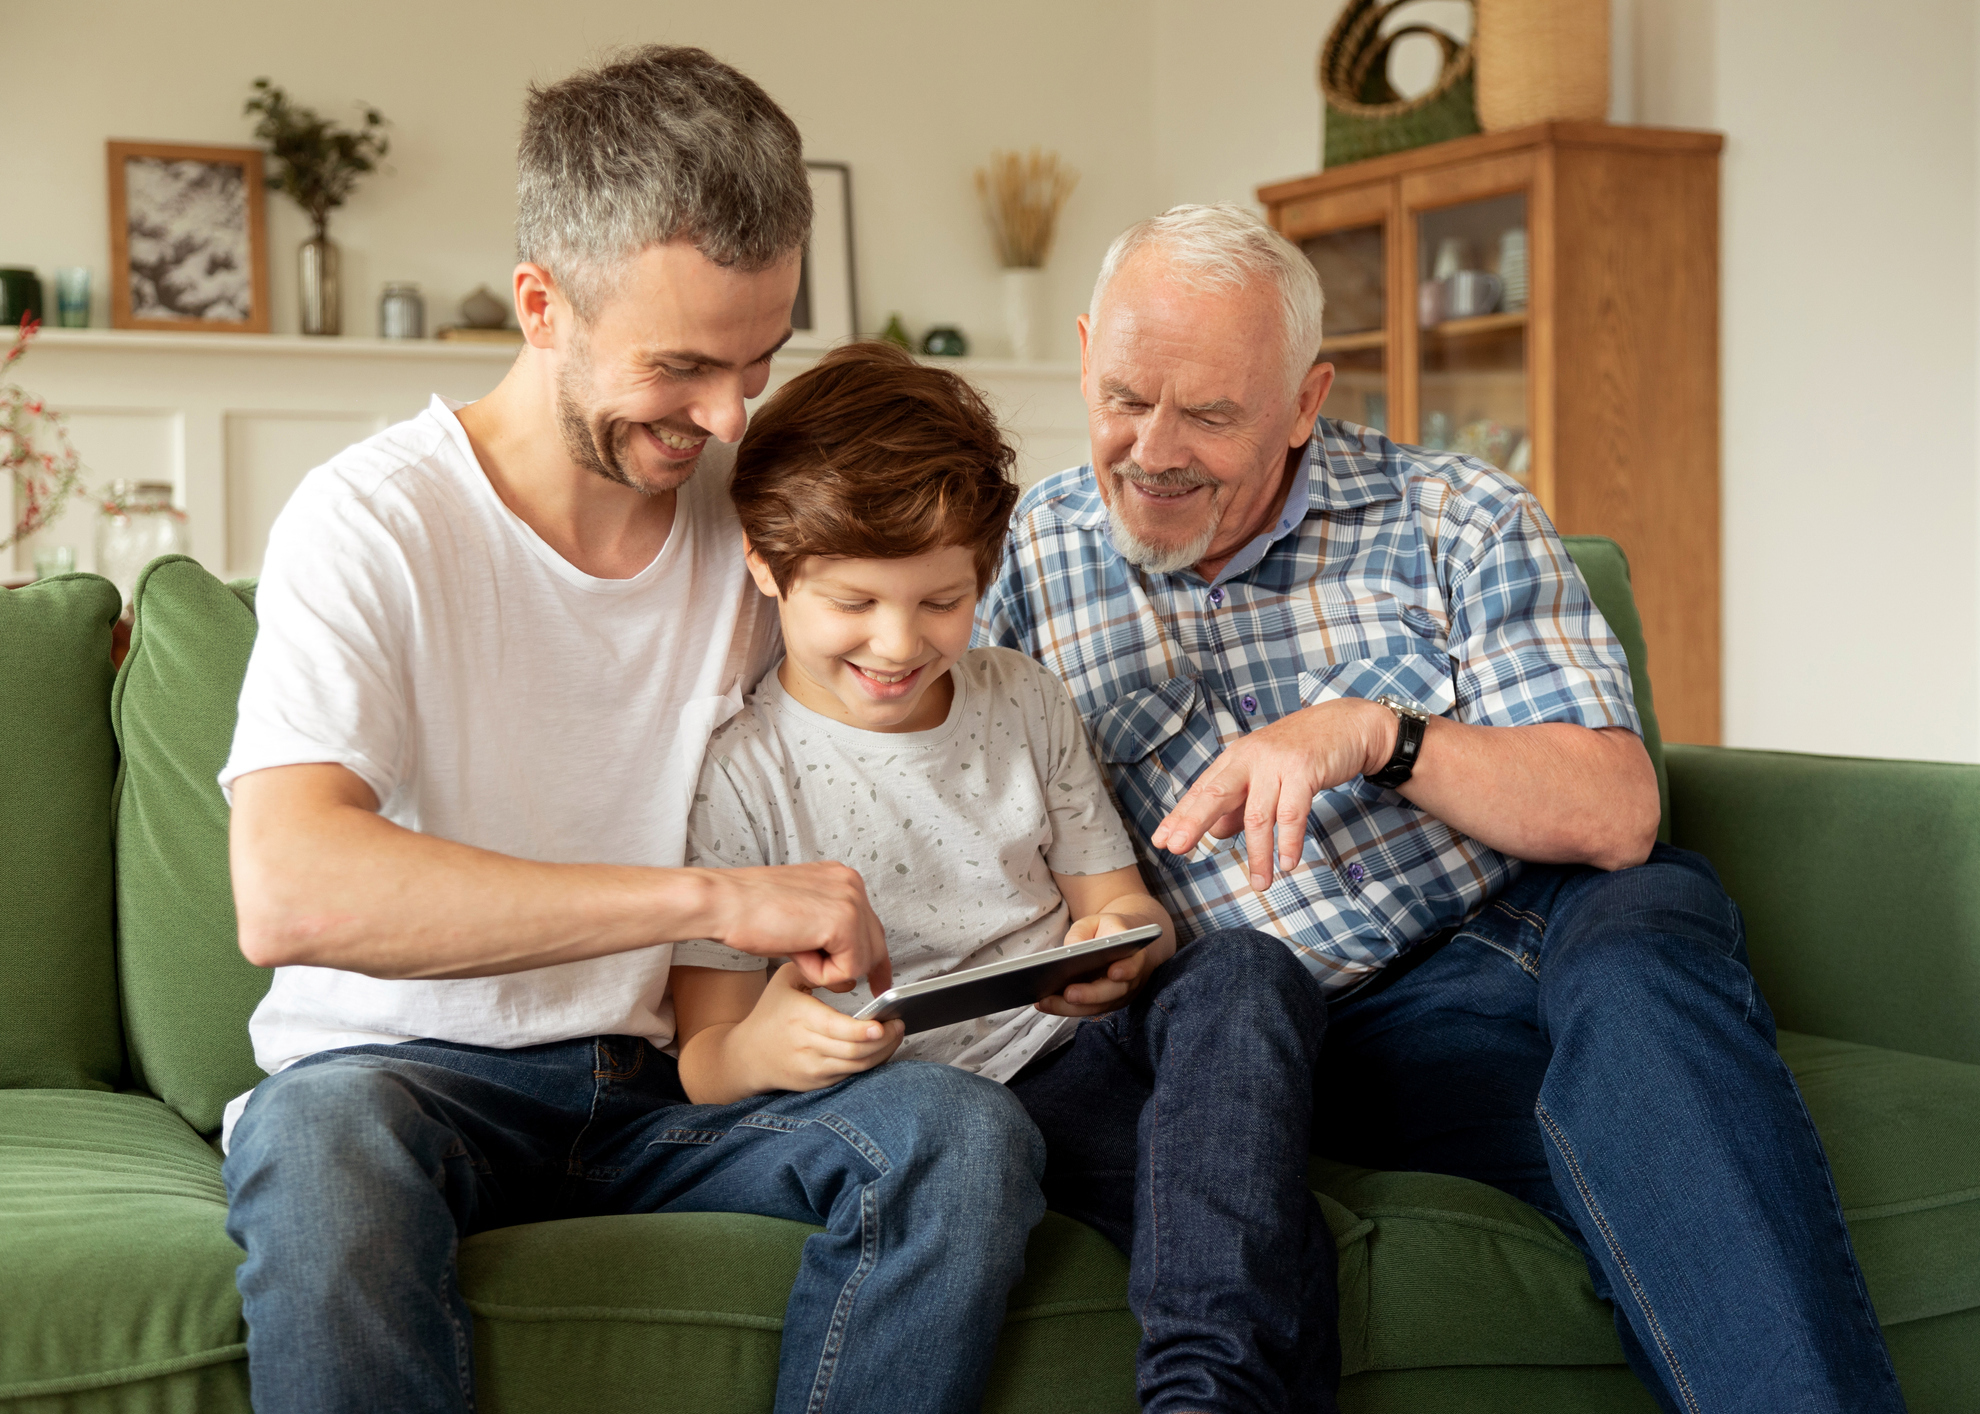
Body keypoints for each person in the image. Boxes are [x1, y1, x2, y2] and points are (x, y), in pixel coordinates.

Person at [975, 203, 1907, 1414]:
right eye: (1122, 396)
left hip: (1541, 927)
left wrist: (1376, 732)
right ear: (1091, 346)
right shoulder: (1024, 561)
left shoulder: (1457, 515)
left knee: (1642, 982)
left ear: (1306, 403)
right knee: (1654, 1149)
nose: (1152, 449)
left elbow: (1617, 811)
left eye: (1209, 414)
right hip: (1312, 1034)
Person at [219, 48, 1042, 1414]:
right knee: (320, 1150)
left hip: (673, 1091)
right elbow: (289, 886)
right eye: (683, 366)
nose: (729, 417)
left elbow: (935, 665)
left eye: (759, 359)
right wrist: (712, 897)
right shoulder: (371, 521)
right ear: (543, 305)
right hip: (401, 1083)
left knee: (958, 1133)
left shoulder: (761, 523)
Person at [672, 340, 1339, 1414]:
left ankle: (1205, 1398)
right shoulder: (740, 774)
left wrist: (1117, 949)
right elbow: (703, 1057)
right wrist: (762, 1045)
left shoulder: (1021, 698)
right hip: (893, 1101)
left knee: (1250, 974)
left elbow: (1114, 903)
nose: (899, 643)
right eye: (854, 602)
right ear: (765, 563)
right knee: (1035, 1152)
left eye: (942, 602)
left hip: (1060, 1057)